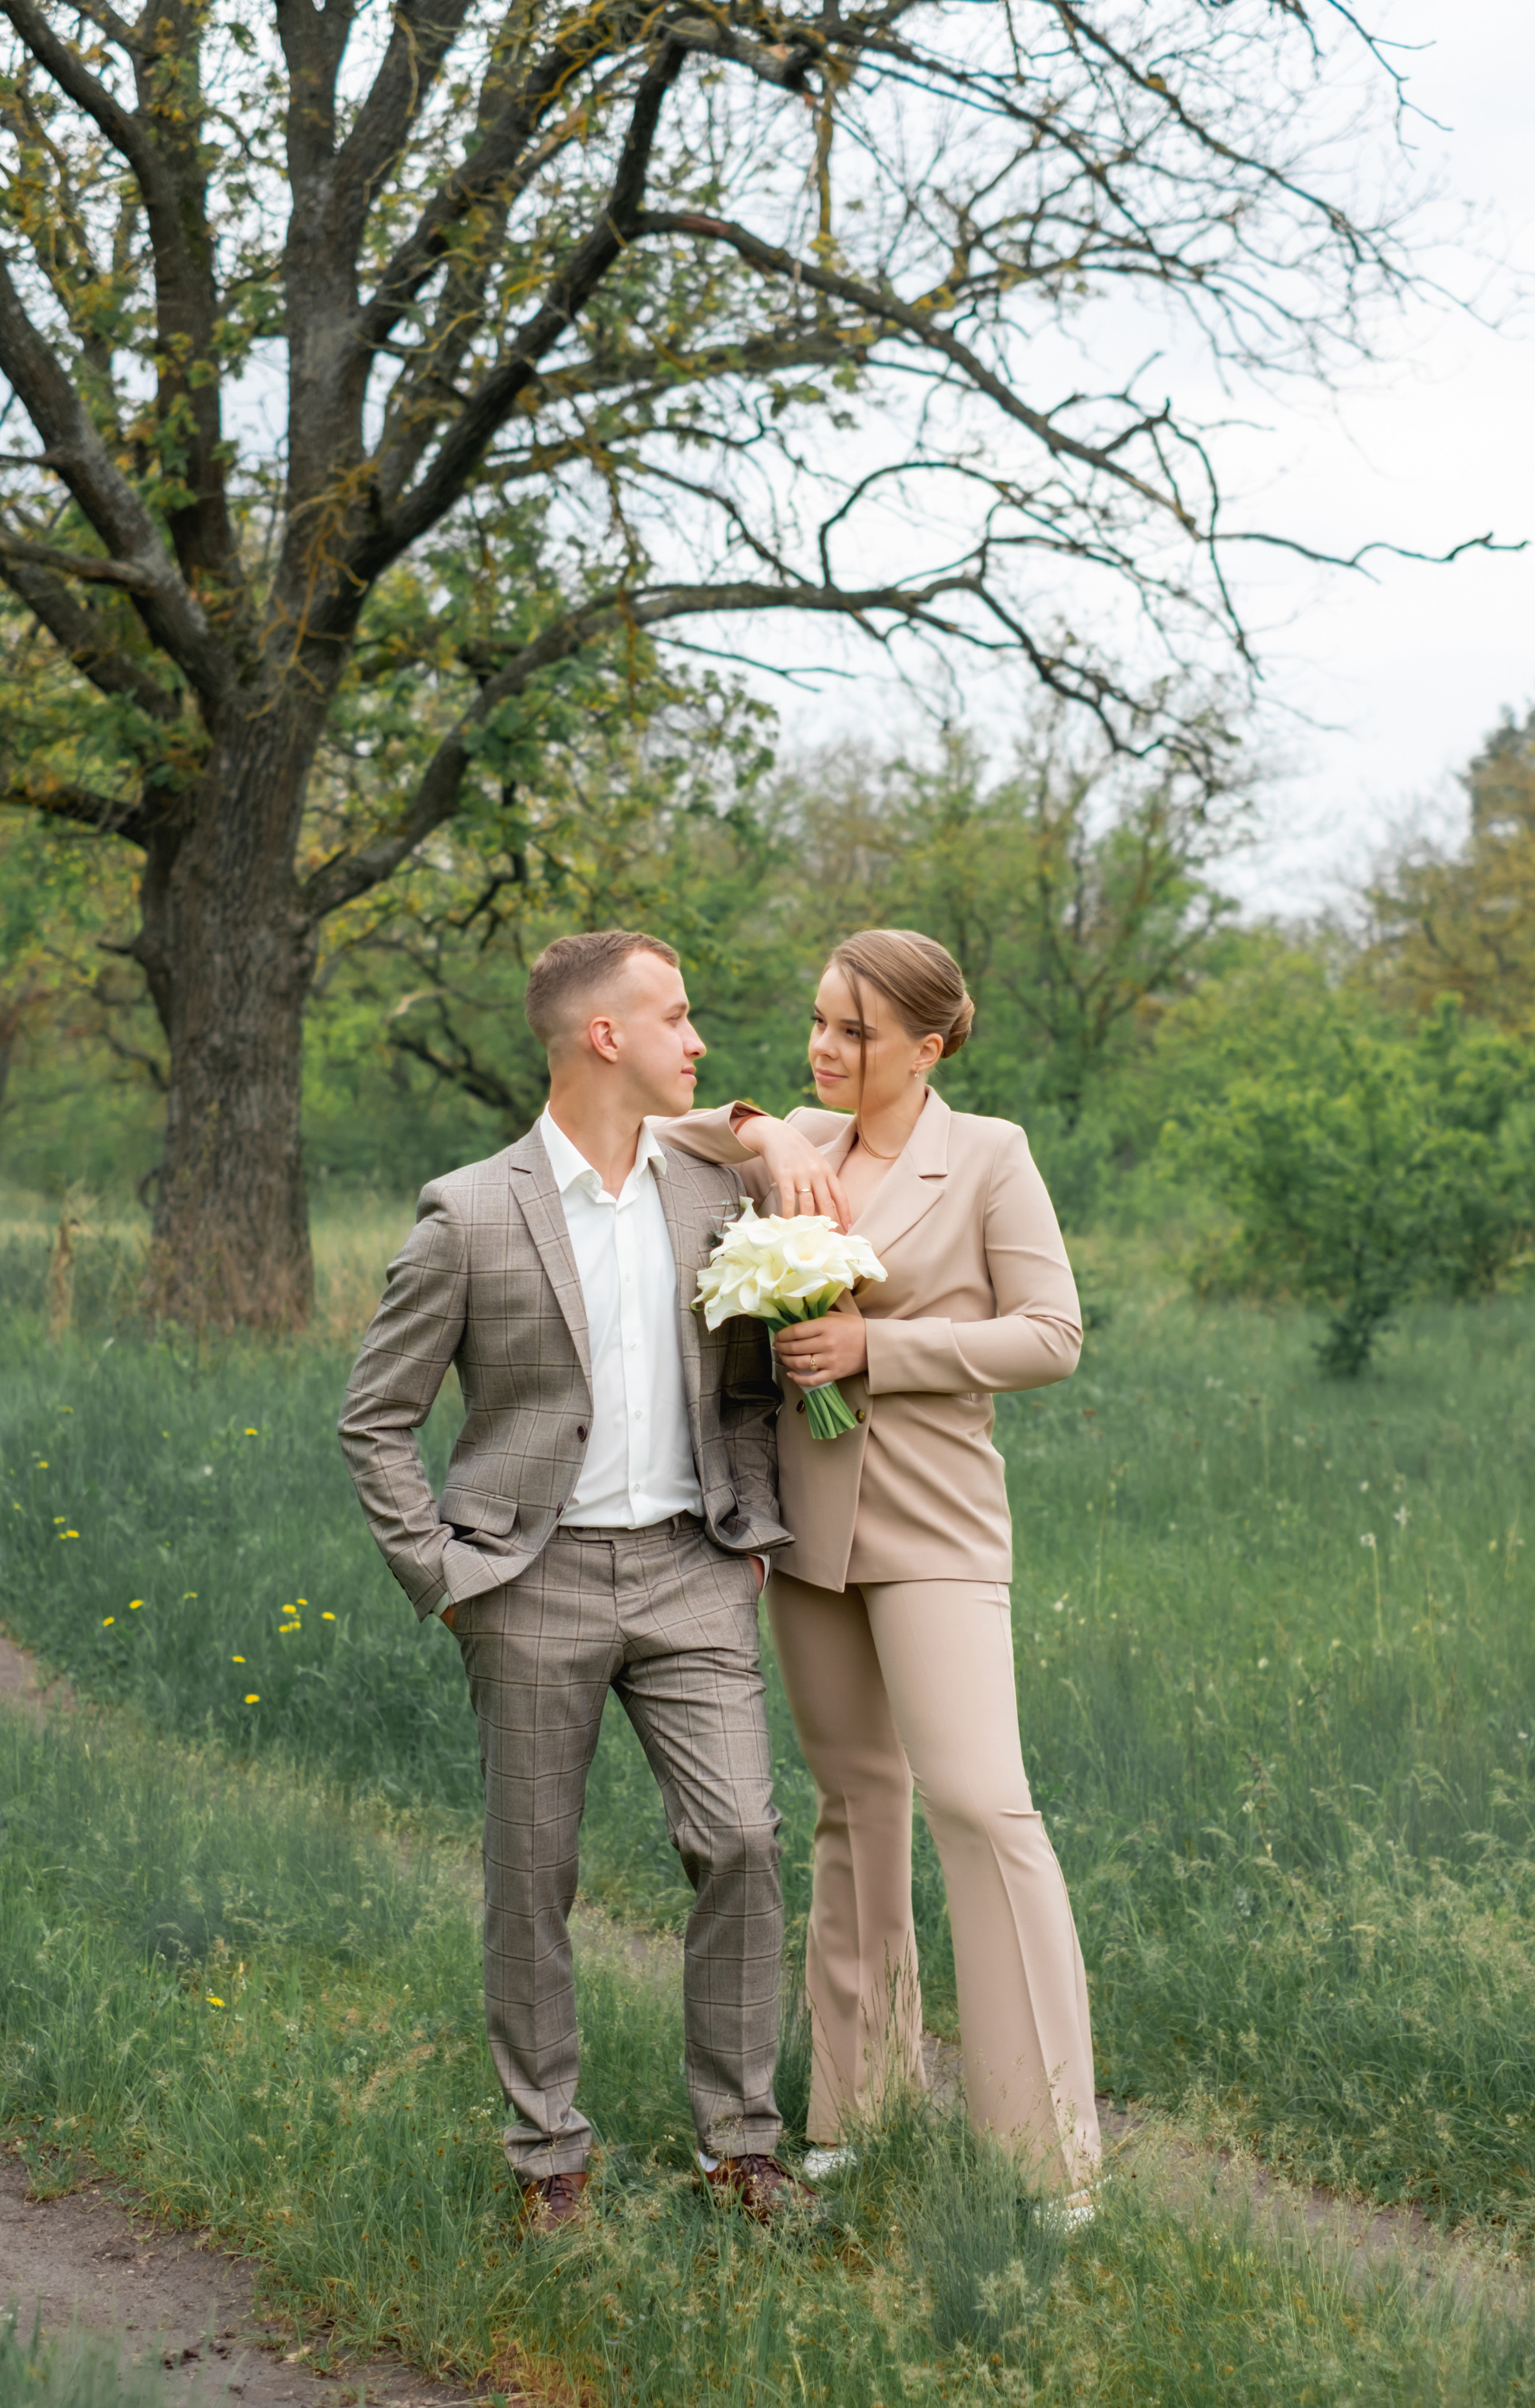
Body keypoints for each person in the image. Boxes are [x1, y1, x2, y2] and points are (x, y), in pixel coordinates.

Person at [338, 929, 808, 2232]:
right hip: (525, 1581)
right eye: (675, 1013)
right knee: (531, 1871)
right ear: (604, 1035)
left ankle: (740, 2143)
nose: (697, 1036)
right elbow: (374, 1418)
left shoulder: (710, 1195)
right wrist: (439, 1572)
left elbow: (753, 1383)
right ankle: (547, 2154)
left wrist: (753, 1521)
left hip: (692, 1569)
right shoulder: (471, 1211)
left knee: (742, 1841)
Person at [658, 928, 1101, 2206]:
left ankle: (1047, 2155)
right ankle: (859, 2108)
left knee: (979, 1803)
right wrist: (769, 1128)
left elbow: (1050, 1333)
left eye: (853, 1030)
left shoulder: (991, 1155)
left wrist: (878, 1347)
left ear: (928, 1040)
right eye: (816, 1022)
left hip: (935, 1527)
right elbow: (671, 1137)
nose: (824, 1049)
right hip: (808, 1533)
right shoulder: (805, 1131)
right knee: (855, 1803)